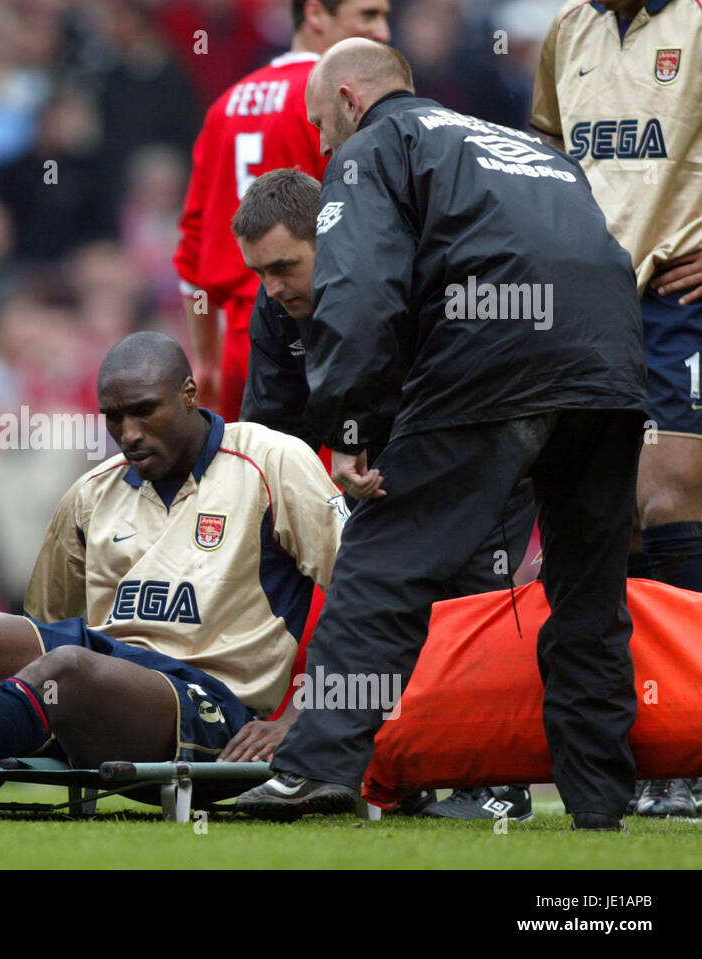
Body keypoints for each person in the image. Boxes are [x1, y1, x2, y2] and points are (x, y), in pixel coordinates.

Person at [236, 40, 648, 831]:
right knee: (590, 598)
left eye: (324, 126)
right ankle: (602, 804)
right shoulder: (534, 150)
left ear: (352, 102)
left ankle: (316, 769)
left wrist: (350, 425)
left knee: (382, 566)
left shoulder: (375, 148)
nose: (325, 148)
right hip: (608, 367)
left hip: (498, 357)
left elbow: (360, 293)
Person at [0, 331, 346, 804]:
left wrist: (300, 718)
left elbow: (359, 591)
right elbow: (41, 628)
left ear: (188, 394)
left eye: (144, 410)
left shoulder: (272, 460)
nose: (129, 433)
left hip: (212, 714)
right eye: (114, 418)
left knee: (67, 668)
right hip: (94, 692)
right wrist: (5, 726)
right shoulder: (90, 494)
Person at [236, 168, 537, 820]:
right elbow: (271, 437)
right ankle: (387, 771)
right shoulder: (274, 311)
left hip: (482, 450)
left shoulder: (413, 278)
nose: (272, 287)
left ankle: (498, 786)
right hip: (374, 476)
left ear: (333, 239)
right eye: (259, 271)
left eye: (284, 265)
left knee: (469, 611)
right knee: (370, 607)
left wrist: (367, 444)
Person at [531, 0, 702, 818]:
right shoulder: (568, 30)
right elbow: (546, 153)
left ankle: (695, 748)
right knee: (612, 518)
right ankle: (644, 743)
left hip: (677, 296)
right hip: (589, 297)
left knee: (672, 494)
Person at [174, 0, 390, 424]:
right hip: (319, 345)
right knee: (335, 485)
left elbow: (190, 259)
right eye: (368, 16)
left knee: (262, 484)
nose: (381, 32)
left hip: (239, 353)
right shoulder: (338, 105)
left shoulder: (224, 107)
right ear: (315, 14)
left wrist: (208, 361)